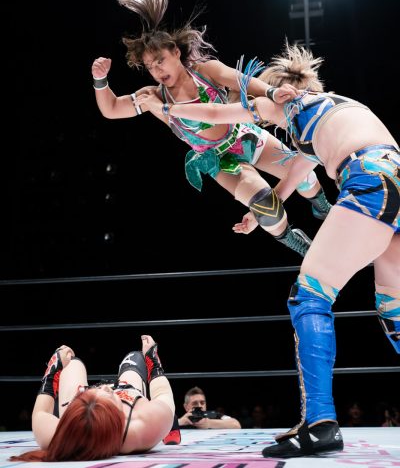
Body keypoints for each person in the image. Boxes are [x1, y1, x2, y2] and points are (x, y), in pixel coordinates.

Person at [137, 41, 400, 458]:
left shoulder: (283, 104)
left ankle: (320, 424)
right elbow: (296, 171)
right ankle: (320, 422)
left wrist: (163, 108)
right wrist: (258, 214)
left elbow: (214, 114)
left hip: (368, 180)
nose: (259, 113)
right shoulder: (331, 107)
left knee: (309, 296)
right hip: (393, 177)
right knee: (393, 310)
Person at [92, 0, 332, 259]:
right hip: (218, 159)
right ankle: (296, 242)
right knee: (266, 207)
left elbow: (243, 81)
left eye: (160, 61)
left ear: (176, 52)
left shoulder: (206, 71)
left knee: (304, 175)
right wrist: (100, 81)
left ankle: (323, 207)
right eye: (150, 67)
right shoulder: (154, 97)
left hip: (244, 135)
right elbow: (111, 109)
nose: (157, 70)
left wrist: (271, 92)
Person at [10, 335, 178, 461]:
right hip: (129, 397)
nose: (105, 386)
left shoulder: (61, 436)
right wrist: (152, 361)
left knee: (72, 363)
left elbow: (39, 414)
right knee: (136, 358)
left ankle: (79, 395)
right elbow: (163, 394)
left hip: (81, 406)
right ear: (117, 415)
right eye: (109, 395)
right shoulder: (145, 424)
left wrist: (53, 370)